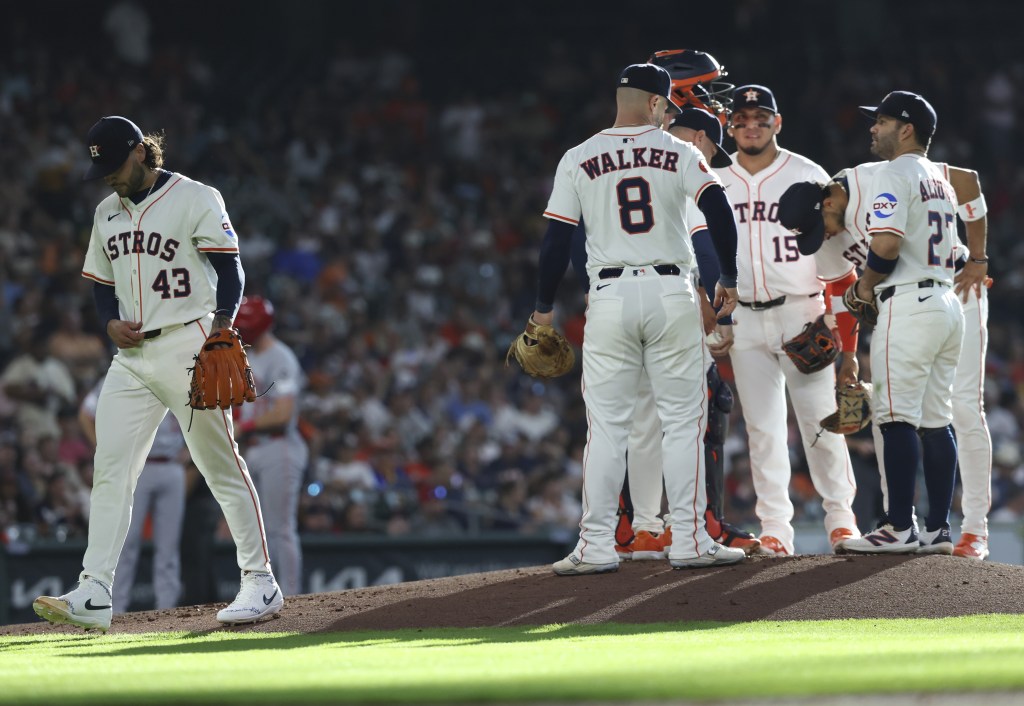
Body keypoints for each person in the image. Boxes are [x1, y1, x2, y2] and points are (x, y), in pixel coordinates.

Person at [32, 116, 282, 632]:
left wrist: (220, 329)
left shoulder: (195, 197)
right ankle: (94, 591)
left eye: (114, 164)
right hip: (132, 358)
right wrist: (107, 322)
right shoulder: (107, 211)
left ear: (143, 152)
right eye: (100, 167)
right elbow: (102, 281)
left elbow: (230, 268)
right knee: (111, 468)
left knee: (218, 464)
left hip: (190, 343)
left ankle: (260, 580)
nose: (108, 177)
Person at [532, 63, 746, 574]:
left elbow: (556, 241)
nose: (669, 113)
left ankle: (596, 546)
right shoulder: (680, 150)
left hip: (609, 294)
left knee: (606, 429)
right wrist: (729, 281)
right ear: (655, 104)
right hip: (673, 291)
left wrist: (543, 308)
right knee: (682, 426)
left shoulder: (578, 156)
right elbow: (719, 211)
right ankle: (691, 541)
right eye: (667, 106)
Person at [779, 157, 991, 558]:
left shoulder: (880, 175)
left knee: (953, 409)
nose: (819, 238)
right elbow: (844, 295)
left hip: (957, 282)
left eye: (815, 229)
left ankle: (965, 530)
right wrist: (849, 357)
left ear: (826, 204)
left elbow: (967, 179)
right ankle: (932, 528)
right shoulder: (827, 237)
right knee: (933, 416)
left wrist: (979, 257)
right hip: (915, 299)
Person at [578, 105, 760, 560]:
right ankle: (690, 531)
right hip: (670, 303)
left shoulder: (607, 160)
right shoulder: (677, 163)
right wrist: (720, 310)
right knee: (687, 420)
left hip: (610, 299)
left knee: (632, 422)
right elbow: (705, 246)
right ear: (700, 138)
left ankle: (638, 529)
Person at [818, 92, 967, 555]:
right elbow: (960, 252)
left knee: (895, 416)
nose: (872, 128)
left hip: (908, 302)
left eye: (880, 121)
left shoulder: (895, 173)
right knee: (936, 419)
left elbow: (884, 245)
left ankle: (898, 527)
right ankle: (939, 529)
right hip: (945, 301)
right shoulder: (939, 179)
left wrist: (863, 289)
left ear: (906, 129)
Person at [714, 85, 860, 556]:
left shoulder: (807, 173)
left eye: (760, 118)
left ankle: (841, 519)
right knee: (762, 427)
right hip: (743, 316)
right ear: (729, 126)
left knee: (820, 420)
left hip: (801, 309)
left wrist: (839, 320)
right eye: (741, 119)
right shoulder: (715, 177)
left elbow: (836, 250)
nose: (750, 127)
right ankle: (775, 526)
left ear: (778, 123)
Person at [79, 377, 186, 613]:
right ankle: (115, 607)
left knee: (169, 545)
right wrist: (106, 449)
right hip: (137, 464)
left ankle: (167, 609)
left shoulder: (176, 367)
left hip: (172, 464)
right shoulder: (126, 369)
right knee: (127, 541)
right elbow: (86, 413)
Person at [233, 295, 308, 596]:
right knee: (258, 532)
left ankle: (291, 594)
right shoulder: (245, 355)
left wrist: (243, 426)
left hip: (281, 447)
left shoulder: (282, 358)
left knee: (280, 528)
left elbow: (283, 413)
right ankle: (264, 593)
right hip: (254, 448)